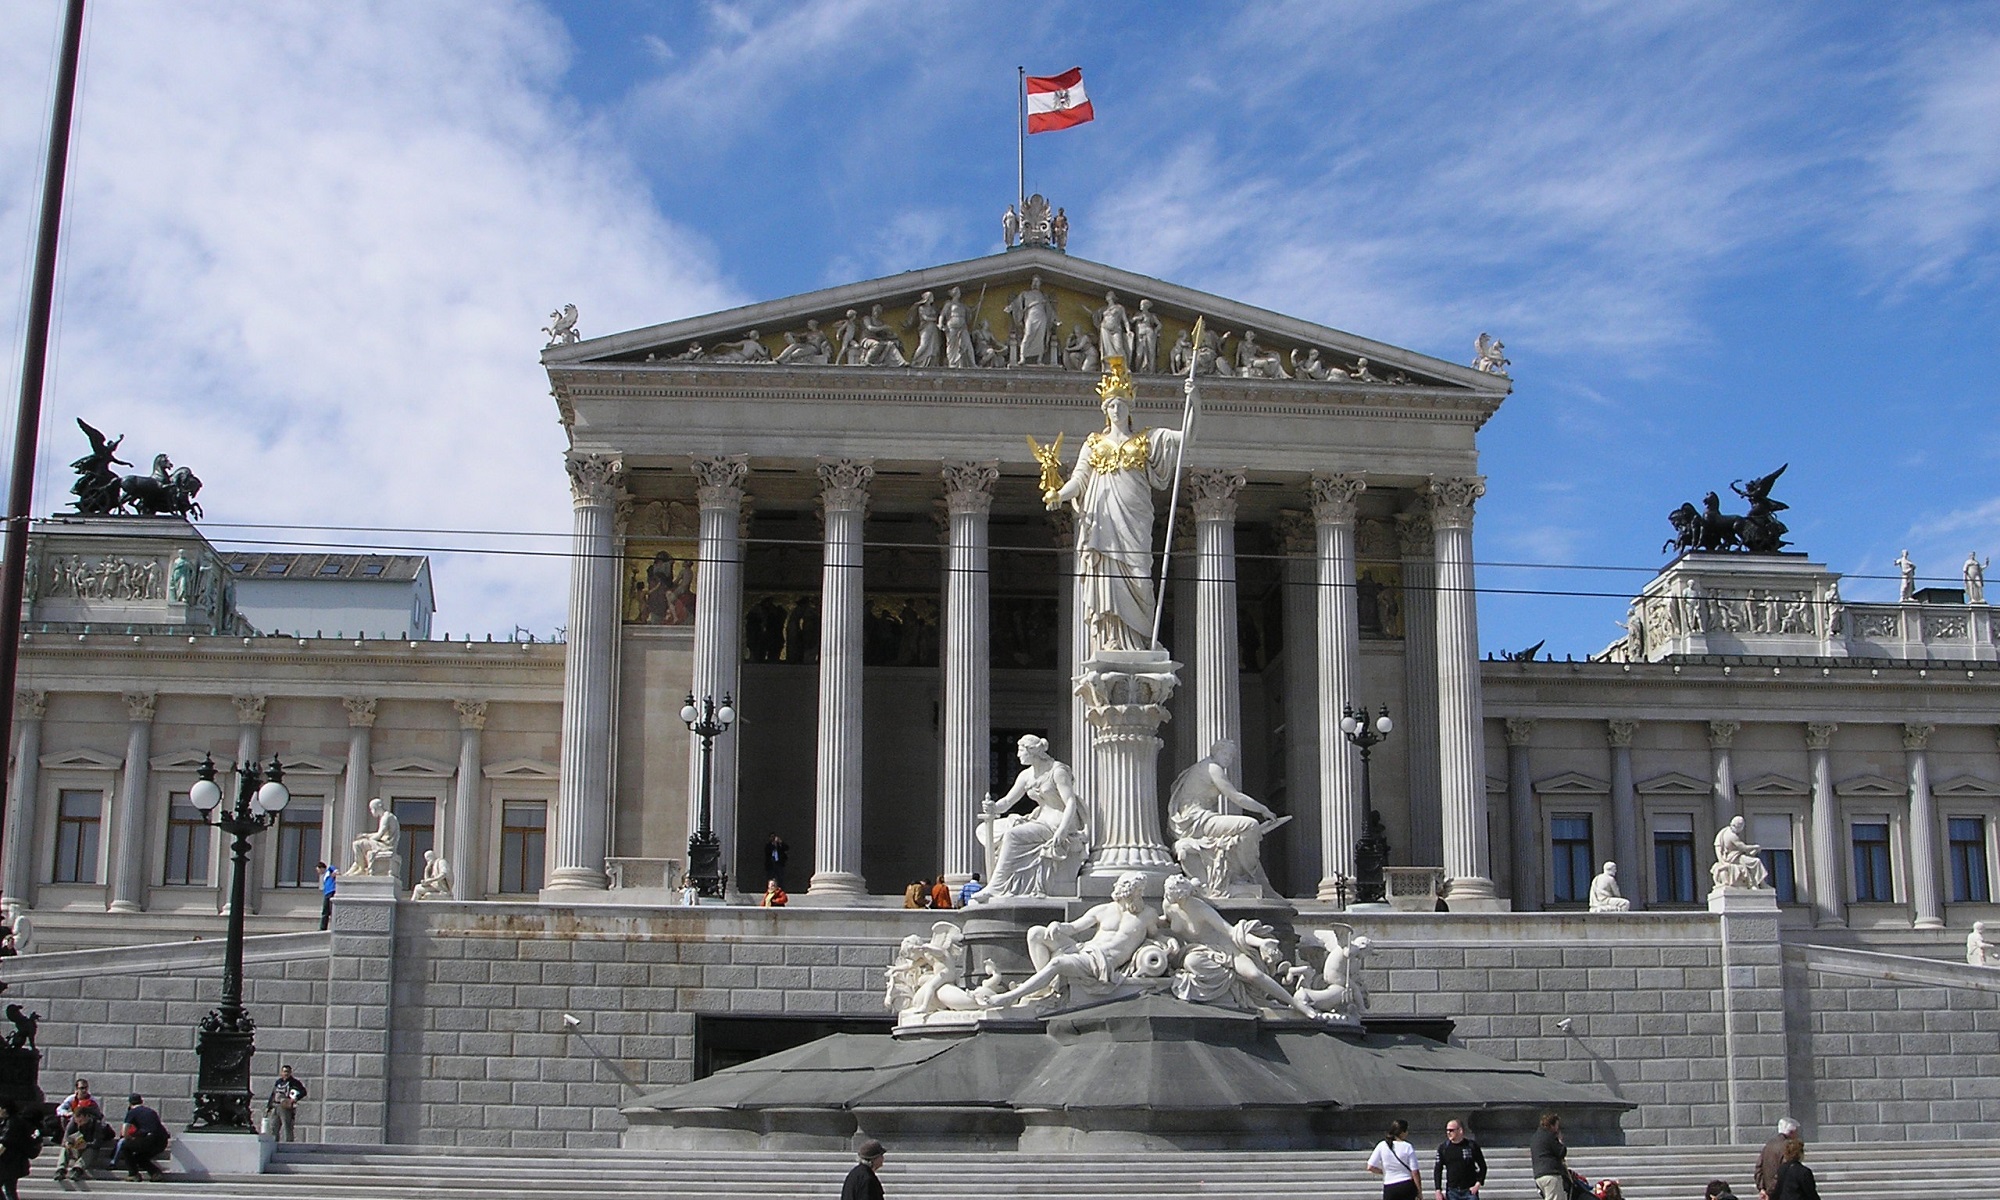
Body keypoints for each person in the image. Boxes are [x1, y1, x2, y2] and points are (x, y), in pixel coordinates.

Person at [1044, 366, 1182, 654]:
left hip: (1134, 521)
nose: (1116, 409)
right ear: (1105, 410)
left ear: (1129, 405)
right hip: (1104, 525)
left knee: (1141, 579)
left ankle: (1141, 642)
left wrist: (1195, 402)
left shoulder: (1146, 440)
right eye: (1111, 405)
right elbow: (1079, 480)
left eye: (1120, 404)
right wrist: (1059, 493)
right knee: (1107, 581)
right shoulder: (1094, 444)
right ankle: (1111, 641)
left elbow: (1187, 437)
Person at [971, 735, 1087, 902]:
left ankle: (995, 887)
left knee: (1013, 835)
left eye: (1021, 750)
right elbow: (1008, 801)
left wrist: (1062, 830)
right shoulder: (1026, 775)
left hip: (1057, 823)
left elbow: (1070, 801)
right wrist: (993, 807)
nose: (1018, 755)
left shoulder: (1057, 771)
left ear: (1032, 751)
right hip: (1039, 820)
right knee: (984, 830)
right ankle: (1010, 882)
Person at [53, 1078, 103, 1180]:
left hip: (88, 1147)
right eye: (81, 1088)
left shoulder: (95, 1123)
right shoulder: (73, 1119)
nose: (84, 1090)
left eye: (85, 1088)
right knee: (65, 1149)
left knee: (91, 1151)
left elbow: (97, 1142)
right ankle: (61, 1170)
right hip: (76, 1145)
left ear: (87, 1117)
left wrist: (86, 1145)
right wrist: (68, 1143)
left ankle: (77, 1170)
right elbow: (66, 1137)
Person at [114, 1094, 167, 1181]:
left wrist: (130, 1138)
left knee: (125, 1146)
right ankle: (155, 1173)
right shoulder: (151, 1111)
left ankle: (133, 1174)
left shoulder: (132, 1112)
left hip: (149, 1139)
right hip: (162, 1141)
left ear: (130, 1104)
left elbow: (124, 1132)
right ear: (142, 1102)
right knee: (139, 1158)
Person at [1367, 1118, 1422, 1200]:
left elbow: (1370, 1167)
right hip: (1406, 1184)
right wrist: (1419, 1191)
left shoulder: (1382, 1145)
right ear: (1402, 1132)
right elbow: (1415, 1172)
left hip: (1390, 1185)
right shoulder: (1407, 1146)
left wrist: (1384, 1172)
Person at [1434, 1117, 1487, 1200]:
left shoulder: (1471, 1146)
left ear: (1460, 1130)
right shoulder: (1444, 1148)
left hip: (1469, 1190)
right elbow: (1438, 1170)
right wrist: (1438, 1190)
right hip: (1452, 1191)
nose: (1448, 1133)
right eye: (1447, 1130)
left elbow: (1483, 1166)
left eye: (1451, 1130)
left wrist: (1478, 1184)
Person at [0, 1097, 39, 1200]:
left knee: (10, 1190)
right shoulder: (11, 1121)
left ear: (5, 1109)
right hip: (13, 1163)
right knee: (10, 1190)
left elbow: (5, 1144)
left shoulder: (12, 1123)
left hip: (10, 1164)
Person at [1754, 1117, 1801, 1200]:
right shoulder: (1788, 1148)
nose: (1797, 1135)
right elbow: (1782, 1171)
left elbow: (1758, 1167)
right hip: (1780, 1193)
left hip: (1768, 1191)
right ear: (1791, 1132)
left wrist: (1762, 1189)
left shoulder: (1768, 1145)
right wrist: (1770, 1192)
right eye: (1796, 1132)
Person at [266, 1064, 308, 1141]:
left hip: (286, 1107)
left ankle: (289, 1143)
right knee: (273, 1127)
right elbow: (273, 1094)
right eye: (284, 1071)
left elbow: (303, 1092)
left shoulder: (294, 1082)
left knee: (287, 1127)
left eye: (288, 1072)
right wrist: (269, 1106)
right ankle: (274, 1143)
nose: (286, 1073)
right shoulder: (278, 1082)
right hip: (275, 1106)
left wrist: (295, 1098)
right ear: (281, 1072)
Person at [1530, 1112, 1568, 1200]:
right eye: (1557, 1125)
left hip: (1539, 1175)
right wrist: (1560, 1141)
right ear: (1551, 1125)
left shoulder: (1535, 1137)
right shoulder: (1550, 1136)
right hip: (1551, 1175)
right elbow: (1561, 1152)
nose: (1557, 1128)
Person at [318, 862, 336, 931]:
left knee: (331, 910)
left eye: (318, 870)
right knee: (325, 911)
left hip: (331, 891)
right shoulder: (325, 876)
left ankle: (331, 927)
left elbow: (336, 871)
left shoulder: (329, 869)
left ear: (321, 868)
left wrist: (335, 874)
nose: (318, 872)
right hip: (327, 893)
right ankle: (323, 927)